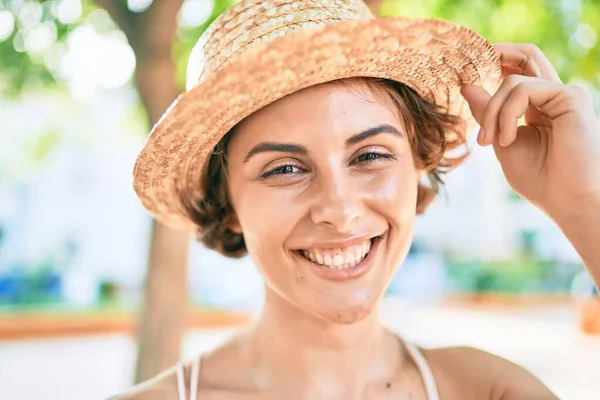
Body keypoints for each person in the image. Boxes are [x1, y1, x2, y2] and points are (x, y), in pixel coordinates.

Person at [115, 0, 600, 399]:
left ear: (416, 167)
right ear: (227, 205)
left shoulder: (492, 392)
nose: (341, 209)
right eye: (285, 168)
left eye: (369, 155)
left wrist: (582, 203)